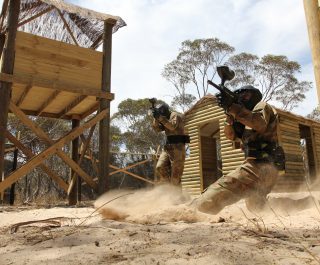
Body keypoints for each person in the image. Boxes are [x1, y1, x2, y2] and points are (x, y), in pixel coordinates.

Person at [192, 85, 285, 214]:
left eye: (245, 95)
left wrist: (233, 107)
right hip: (264, 167)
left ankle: (189, 210)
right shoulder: (244, 118)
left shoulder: (262, 106)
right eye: (239, 96)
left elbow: (259, 123)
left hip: (261, 165)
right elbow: (230, 136)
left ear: (254, 96)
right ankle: (304, 203)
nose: (242, 98)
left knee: (209, 199)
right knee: (257, 208)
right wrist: (229, 117)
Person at [151, 102, 189, 186]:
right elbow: (157, 129)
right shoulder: (164, 119)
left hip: (177, 148)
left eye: (160, 112)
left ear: (164, 110)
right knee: (159, 167)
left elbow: (172, 126)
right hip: (168, 148)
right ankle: (169, 187)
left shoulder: (175, 115)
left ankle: (176, 196)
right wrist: (155, 118)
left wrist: (160, 118)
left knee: (176, 175)